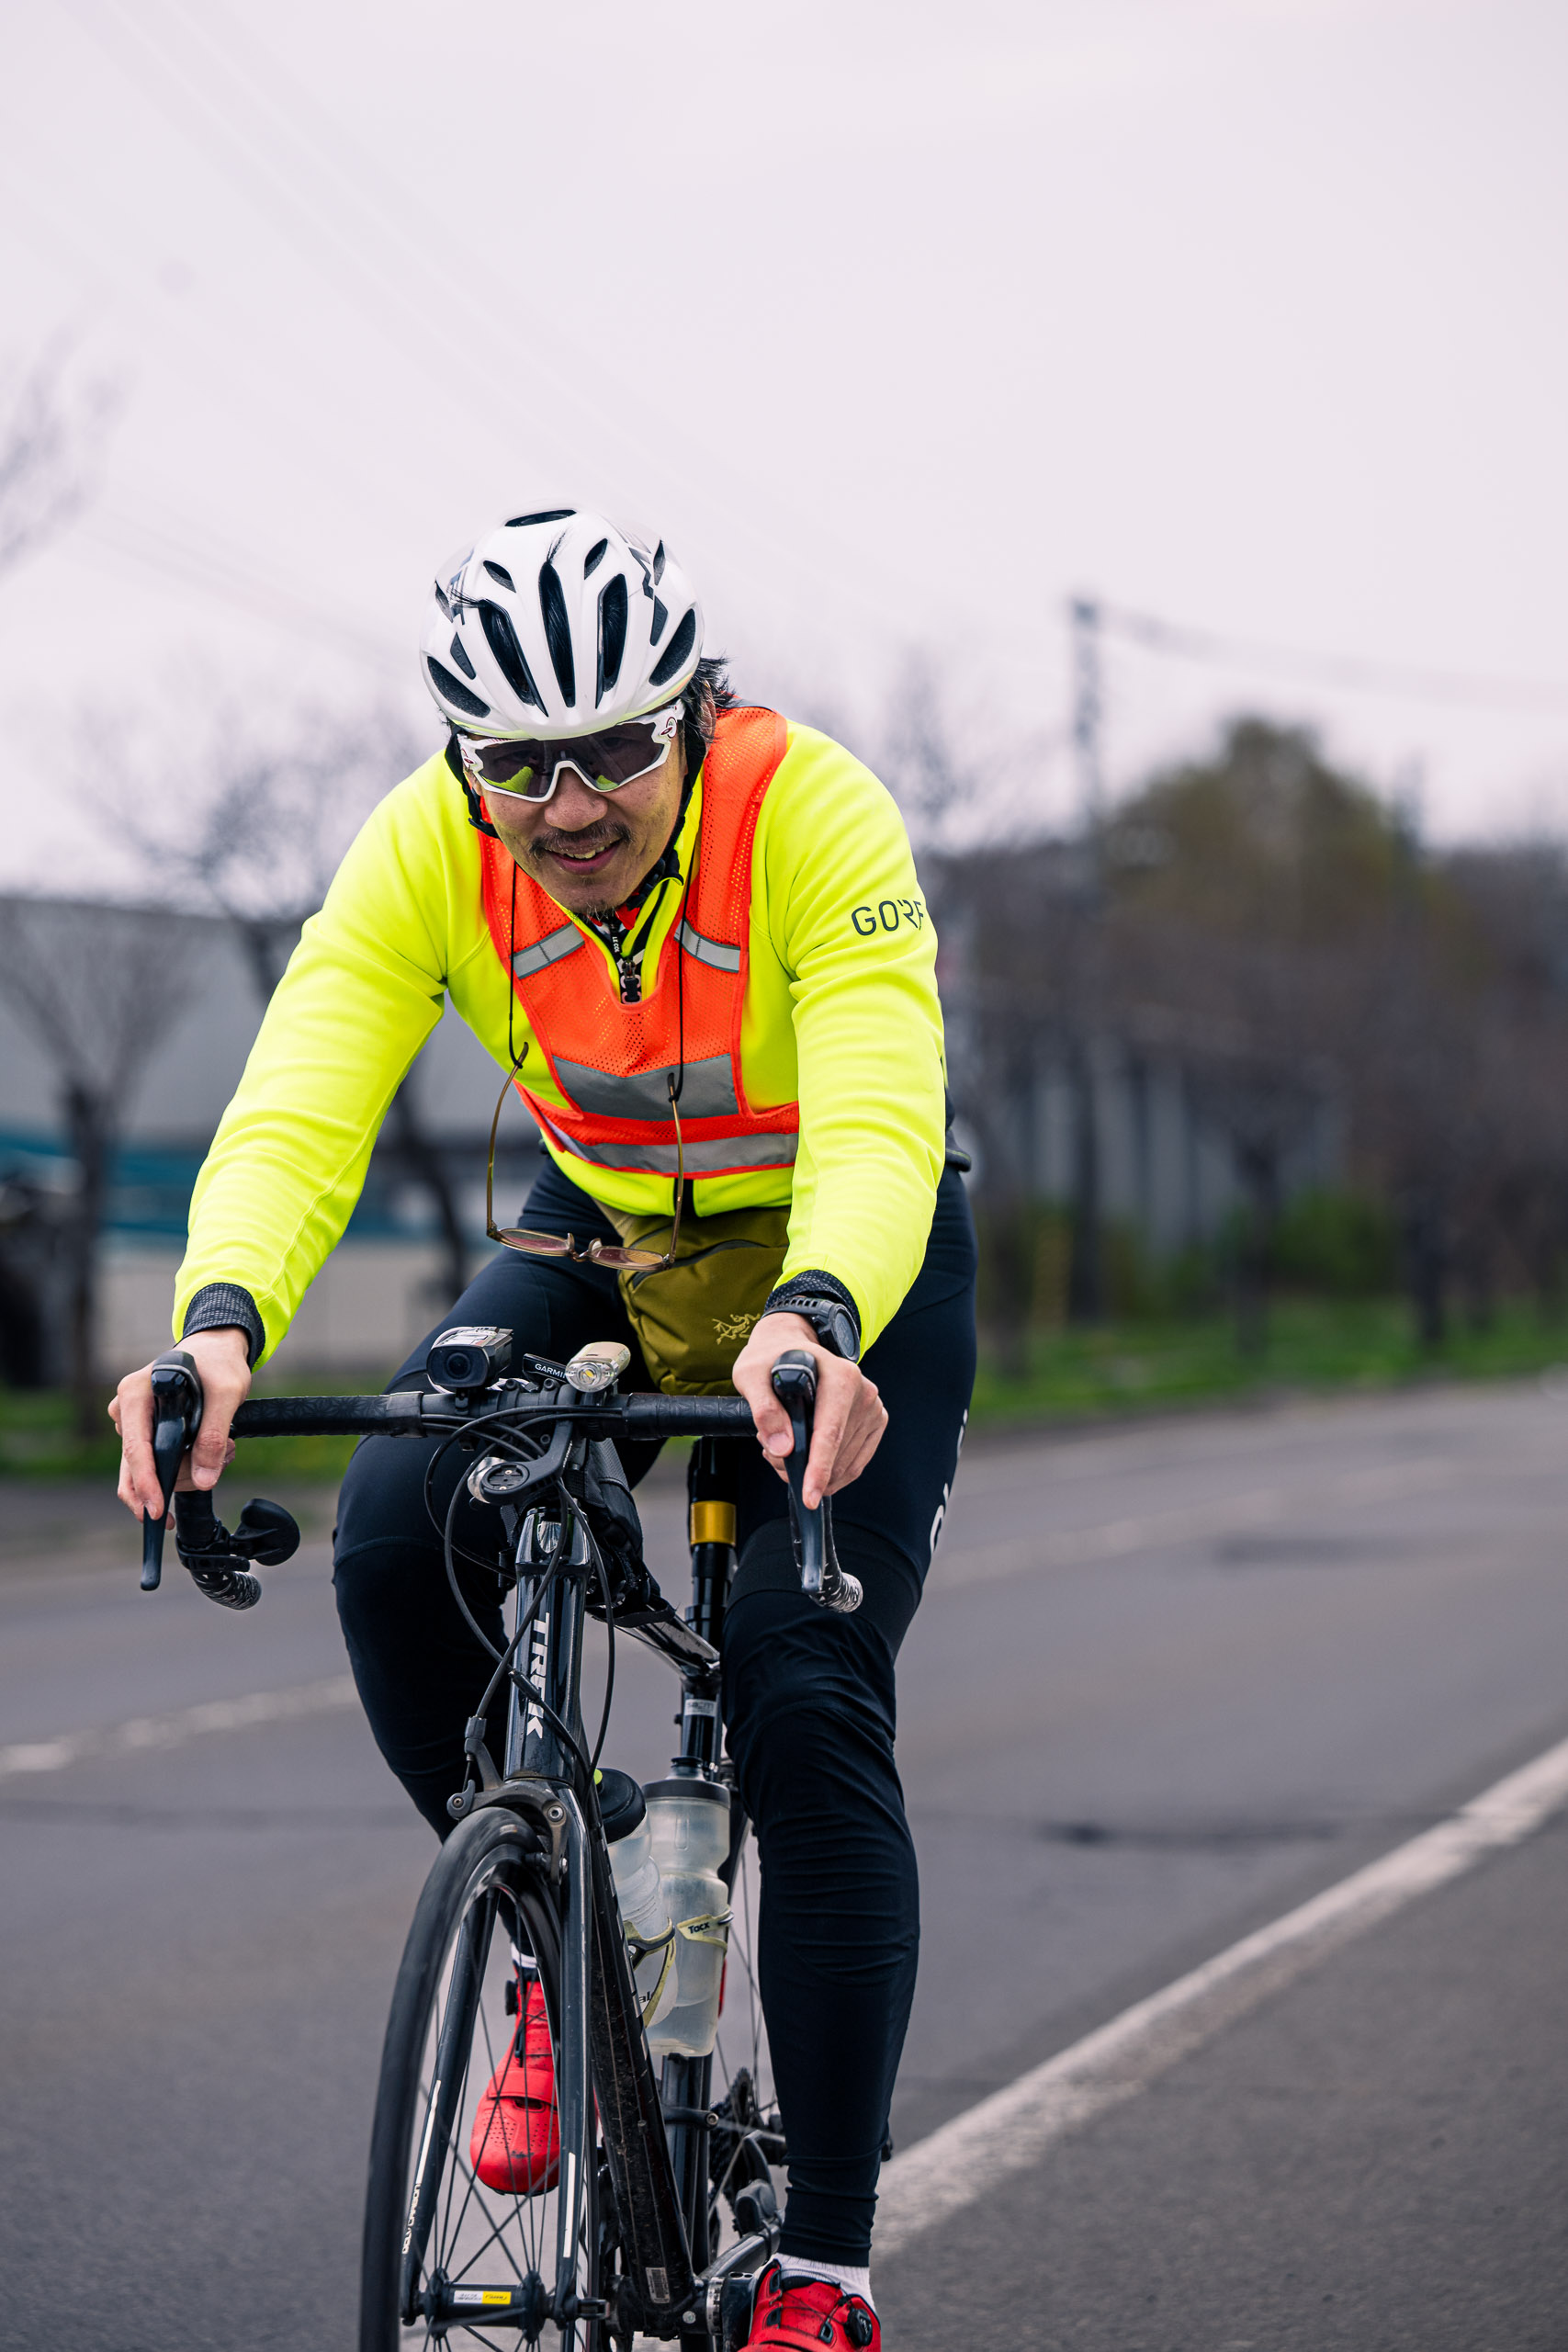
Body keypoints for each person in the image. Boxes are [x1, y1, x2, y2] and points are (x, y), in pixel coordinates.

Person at [112, 508, 976, 2350]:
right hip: (602, 1231)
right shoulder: (431, 844)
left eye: (611, 752)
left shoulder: (807, 810)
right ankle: (559, 1929)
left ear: (688, 714)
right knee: (388, 1534)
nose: (567, 802)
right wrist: (216, 1319)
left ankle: (821, 2261)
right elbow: (303, 1082)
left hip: (842, 1244)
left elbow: (887, 1106)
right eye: (518, 763)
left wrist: (816, 1313)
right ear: (460, 757)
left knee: (801, 1688)